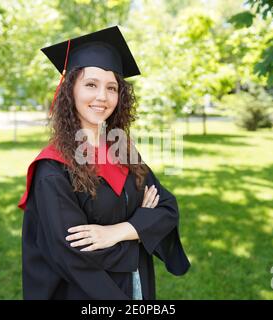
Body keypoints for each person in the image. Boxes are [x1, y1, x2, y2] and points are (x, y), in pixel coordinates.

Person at [18, 25, 190, 300]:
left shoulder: (123, 151)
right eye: (90, 84)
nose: (102, 97)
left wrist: (118, 232)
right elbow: (72, 255)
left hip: (138, 287)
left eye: (111, 88)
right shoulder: (53, 168)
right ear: (69, 91)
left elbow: (167, 208)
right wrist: (141, 230)